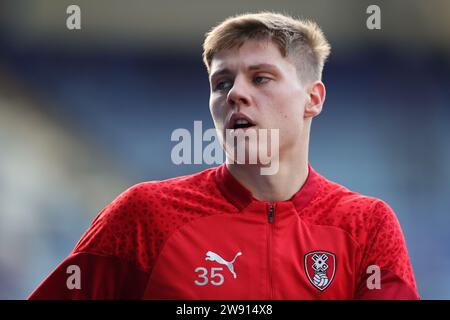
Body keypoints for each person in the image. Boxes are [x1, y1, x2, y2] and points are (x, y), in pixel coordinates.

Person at [29, 11, 419, 300]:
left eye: (260, 77)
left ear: (312, 99)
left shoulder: (366, 225)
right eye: (222, 82)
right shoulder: (146, 214)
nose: (234, 94)